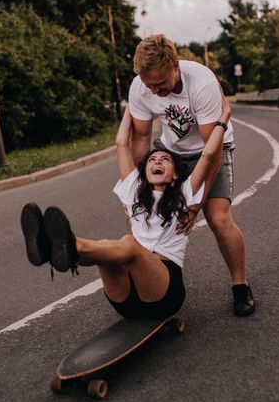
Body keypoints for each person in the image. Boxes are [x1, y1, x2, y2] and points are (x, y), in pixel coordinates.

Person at [20, 104, 230, 320]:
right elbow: (121, 144)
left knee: (127, 244)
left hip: (164, 295)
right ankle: (49, 248)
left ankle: (73, 245)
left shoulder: (185, 193)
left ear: (175, 175)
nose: (157, 161)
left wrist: (223, 119)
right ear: (146, 171)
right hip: (125, 301)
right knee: (107, 254)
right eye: (152, 160)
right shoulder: (134, 192)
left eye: (164, 160)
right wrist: (133, 104)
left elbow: (208, 155)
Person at [127, 33, 255, 317]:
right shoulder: (140, 87)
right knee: (153, 215)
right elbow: (140, 140)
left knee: (217, 217)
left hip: (209, 149)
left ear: (175, 67)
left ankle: (240, 286)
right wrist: (135, 187)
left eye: (161, 84)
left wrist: (195, 204)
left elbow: (212, 150)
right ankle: (154, 287)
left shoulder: (202, 83)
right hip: (171, 149)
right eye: (150, 85)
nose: (155, 91)